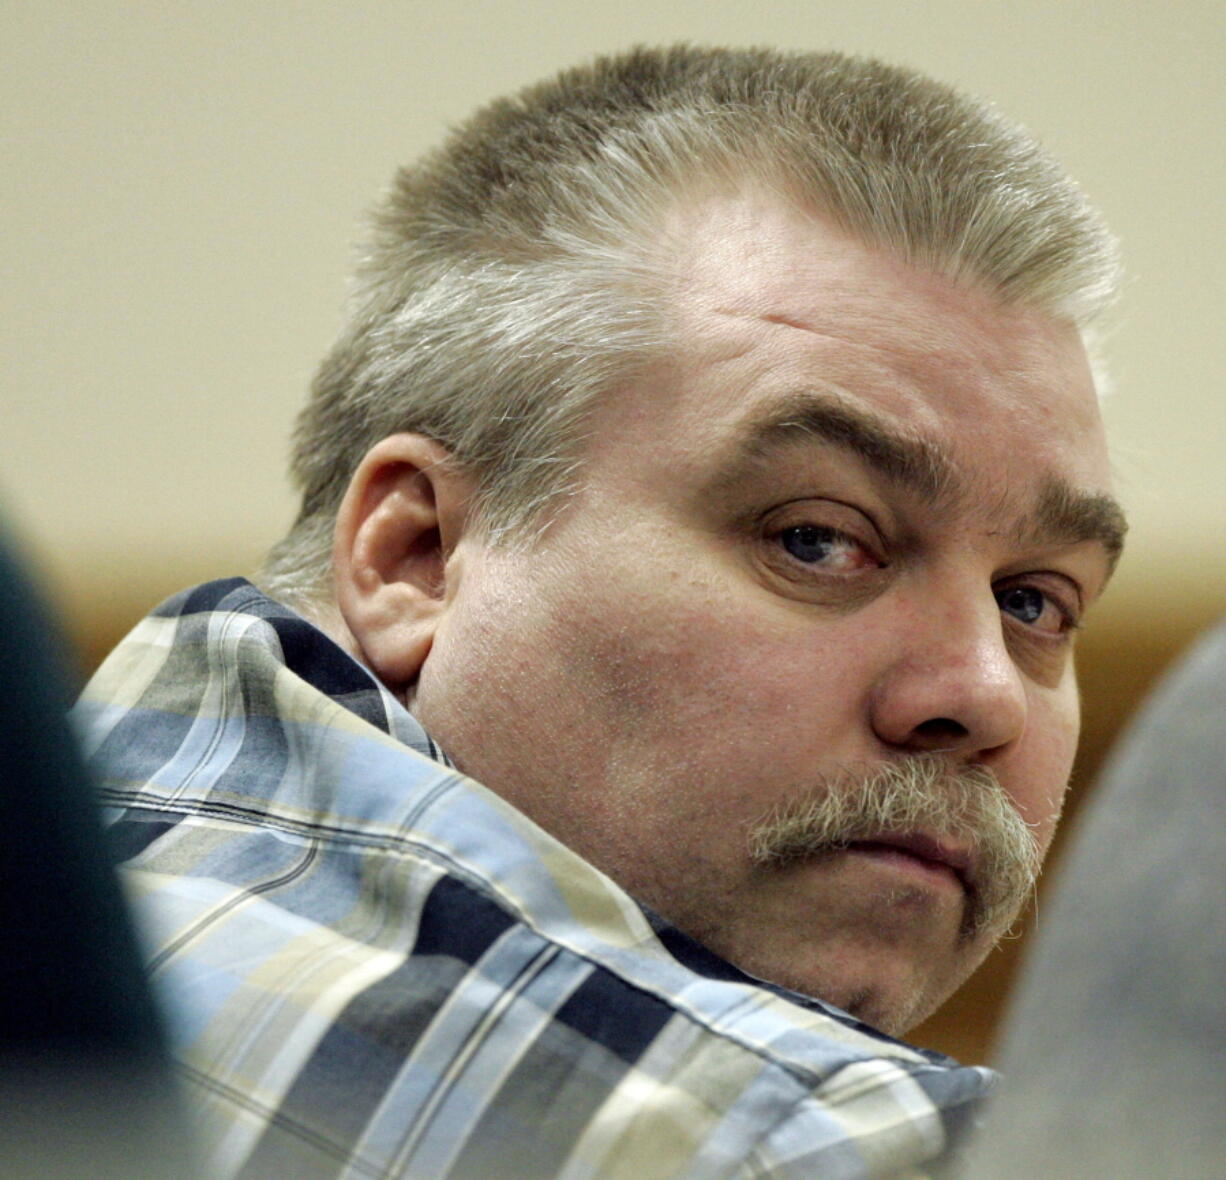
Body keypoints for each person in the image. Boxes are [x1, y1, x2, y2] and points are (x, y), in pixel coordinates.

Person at [75, 45, 1127, 1177]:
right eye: (815, 540)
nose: (977, 693)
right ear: (417, 556)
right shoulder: (830, 1150)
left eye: (1032, 601)